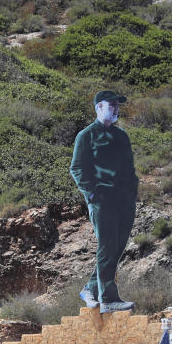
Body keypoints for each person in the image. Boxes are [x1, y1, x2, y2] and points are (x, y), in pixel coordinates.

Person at [69, 90, 138, 313]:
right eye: (111, 105)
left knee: (117, 247)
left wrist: (132, 191)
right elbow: (76, 168)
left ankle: (89, 288)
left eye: (118, 106)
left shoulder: (122, 136)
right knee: (107, 246)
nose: (116, 109)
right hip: (101, 200)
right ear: (98, 107)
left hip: (124, 201)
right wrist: (91, 194)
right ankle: (108, 299)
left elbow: (129, 168)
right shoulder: (85, 135)